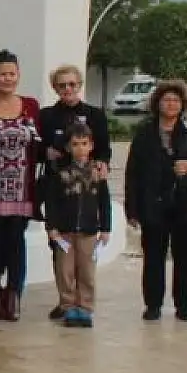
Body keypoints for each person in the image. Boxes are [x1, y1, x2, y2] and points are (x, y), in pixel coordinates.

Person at [123, 80, 187, 323]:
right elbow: (133, 172)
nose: (171, 104)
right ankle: (153, 305)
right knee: (153, 258)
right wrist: (132, 208)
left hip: (185, 204)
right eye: (166, 100)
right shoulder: (144, 133)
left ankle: (184, 306)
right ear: (157, 103)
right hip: (153, 203)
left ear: (182, 105)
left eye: (175, 100)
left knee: (184, 259)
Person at [0, 50, 42, 321]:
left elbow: (39, 143)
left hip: (21, 188)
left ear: (18, 75)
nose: (7, 78)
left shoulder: (31, 105)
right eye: (2, 74)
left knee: (16, 243)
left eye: (11, 73)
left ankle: (14, 294)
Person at [44, 122, 111, 329]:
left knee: (87, 271)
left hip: (89, 232)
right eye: (75, 144)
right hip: (64, 232)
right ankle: (68, 305)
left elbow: (104, 202)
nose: (80, 148)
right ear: (67, 147)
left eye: (84, 143)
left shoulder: (98, 174)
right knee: (65, 271)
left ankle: (85, 307)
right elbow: (52, 202)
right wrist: (52, 227)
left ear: (91, 145)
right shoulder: (60, 174)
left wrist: (106, 228)